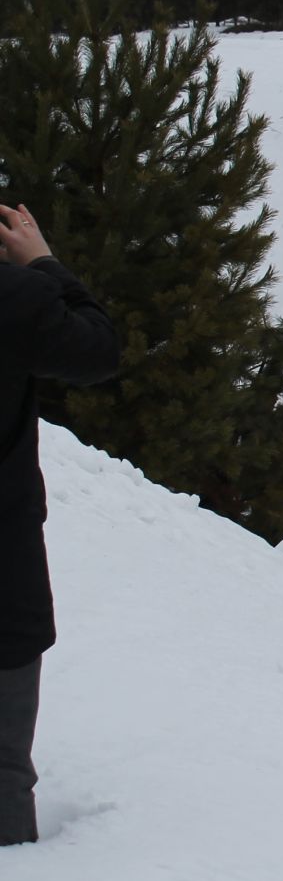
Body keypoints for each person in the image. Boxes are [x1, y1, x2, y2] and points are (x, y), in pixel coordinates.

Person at [0, 203, 119, 846]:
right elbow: (98, 348)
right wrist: (43, 262)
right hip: (3, 574)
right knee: (1, 770)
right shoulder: (13, 297)